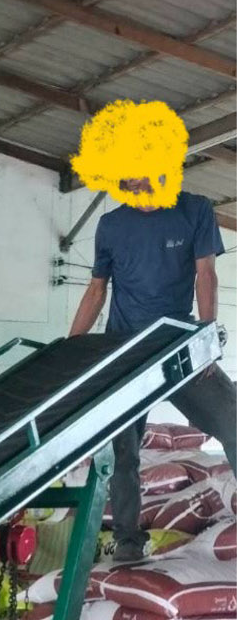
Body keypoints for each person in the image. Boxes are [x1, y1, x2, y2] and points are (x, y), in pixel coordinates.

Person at [68, 179, 236, 563]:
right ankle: (128, 540)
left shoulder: (195, 210)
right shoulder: (111, 225)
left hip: (176, 345)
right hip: (124, 352)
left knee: (232, 419)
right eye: (131, 187)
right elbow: (96, 290)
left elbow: (206, 275)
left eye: (147, 184)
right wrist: (71, 348)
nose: (141, 195)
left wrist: (206, 339)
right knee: (122, 452)